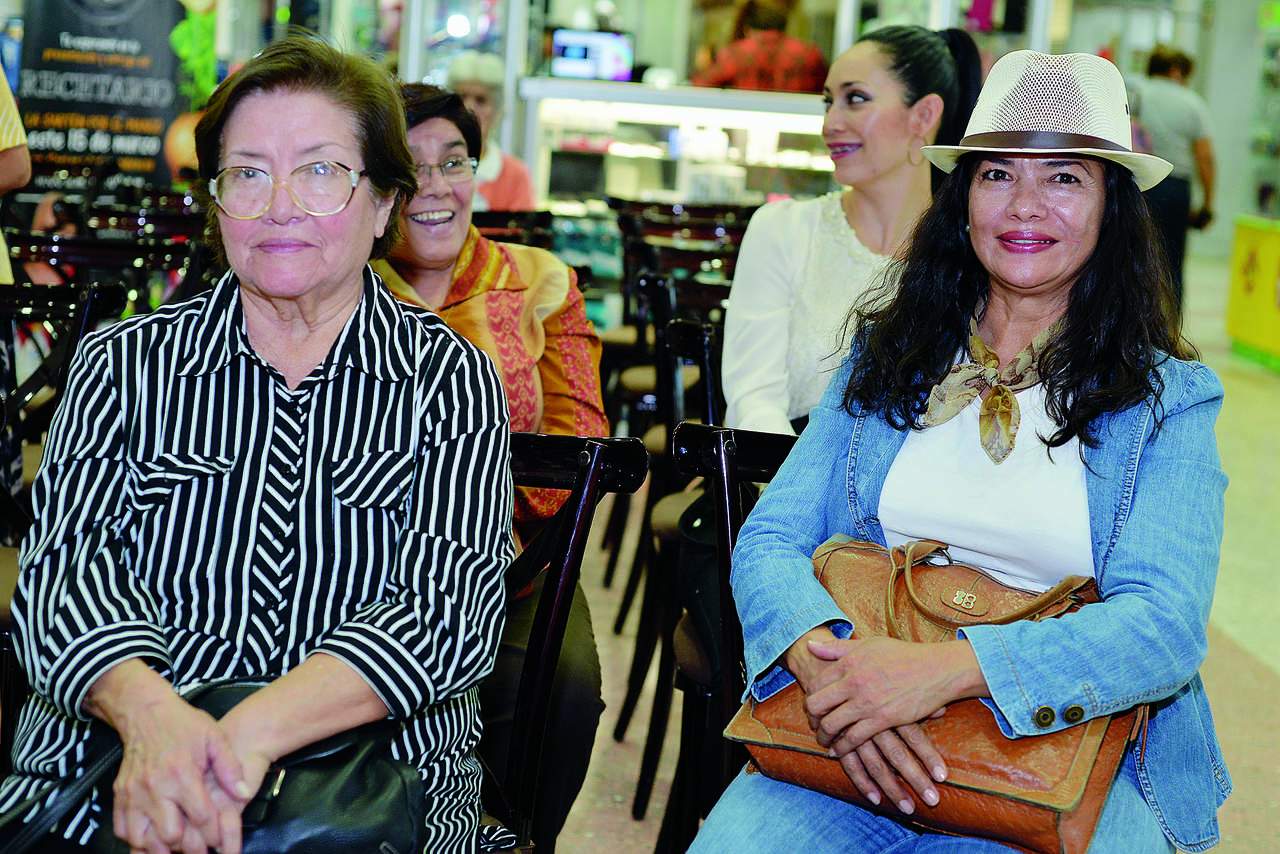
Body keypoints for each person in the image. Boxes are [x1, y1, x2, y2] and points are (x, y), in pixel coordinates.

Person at [692, 50, 1229, 852]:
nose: (1024, 206)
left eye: (1065, 178)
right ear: (964, 199)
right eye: (997, 175)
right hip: (855, 725)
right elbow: (772, 537)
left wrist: (943, 673)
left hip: (1065, 746)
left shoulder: (1167, 400)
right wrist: (842, 674)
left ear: (1112, 207)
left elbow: (1163, 625)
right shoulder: (890, 353)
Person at [0, 36, 513, 853]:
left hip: (370, 788)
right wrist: (156, 723)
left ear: (384, 203)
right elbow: (64, 577)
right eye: (247, 173)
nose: (278, 205)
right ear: (216, 203)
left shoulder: (447, 379)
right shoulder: (122, 364)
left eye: (319, 171)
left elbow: (445, 613)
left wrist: (238, 742)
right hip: (112, 764)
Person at [371, 83, 607, 851]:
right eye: (412, 168)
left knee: (565, 688)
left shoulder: (539, 280)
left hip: (513, 568)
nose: (436, 187)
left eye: (455, 162)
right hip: (357, 563)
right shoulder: (342, 280)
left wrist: (474, 519)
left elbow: (582, 445)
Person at [722, 25, 981, 434]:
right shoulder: (784, 230)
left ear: (924, 115)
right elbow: (752, 400)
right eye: (828, 102)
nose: (831, 123)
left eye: (855, 99)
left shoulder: (974, 251)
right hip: (779, 464)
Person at [1136, 44, 1215, 306]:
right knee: (1172, 262)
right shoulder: (1192, 103)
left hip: (1137, 182)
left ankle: (1128, 318)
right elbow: (1205, 157)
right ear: (1175, 71)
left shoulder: (1136, 93)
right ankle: (1168, 324)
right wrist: (1208, 204)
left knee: (1132, 253)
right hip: (1174, 188)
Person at [447, 51, 535, 211]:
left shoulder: (515, 175)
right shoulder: (429, 166)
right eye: (461, 97)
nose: (469, 108)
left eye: (481, 100)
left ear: (497, 110)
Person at [691, 0, 827, 94]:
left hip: (744, 121)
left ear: (747, 28)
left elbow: (701, 87)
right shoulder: (810, 54)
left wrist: (703, 67)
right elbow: (825, 92)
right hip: (798, 124)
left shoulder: (735, 53)